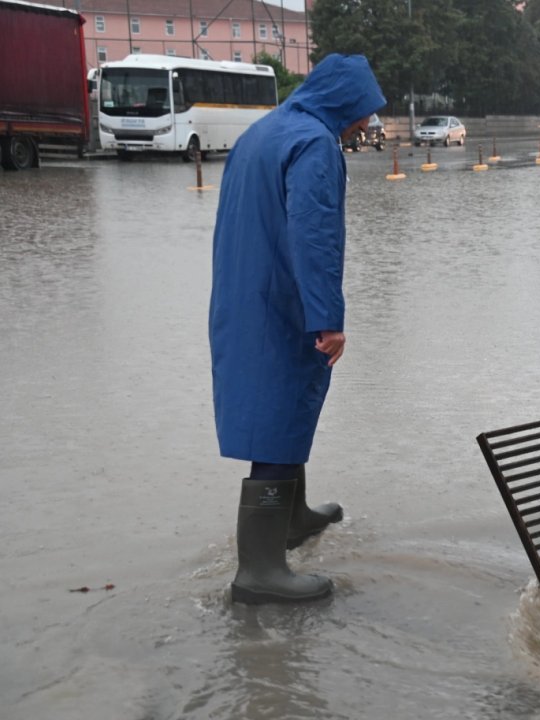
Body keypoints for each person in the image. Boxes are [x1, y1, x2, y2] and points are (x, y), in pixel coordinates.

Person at [209, 54, 386, 605]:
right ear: (345, 102)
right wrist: (327, 318)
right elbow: (315, 235)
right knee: (276, 414)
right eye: (364, 111)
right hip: (283, 304)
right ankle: (259, 570)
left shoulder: (263, 132)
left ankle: (293, 517)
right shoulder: (314, 144)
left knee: (283, 410)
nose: (365, 123)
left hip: (244, 295)